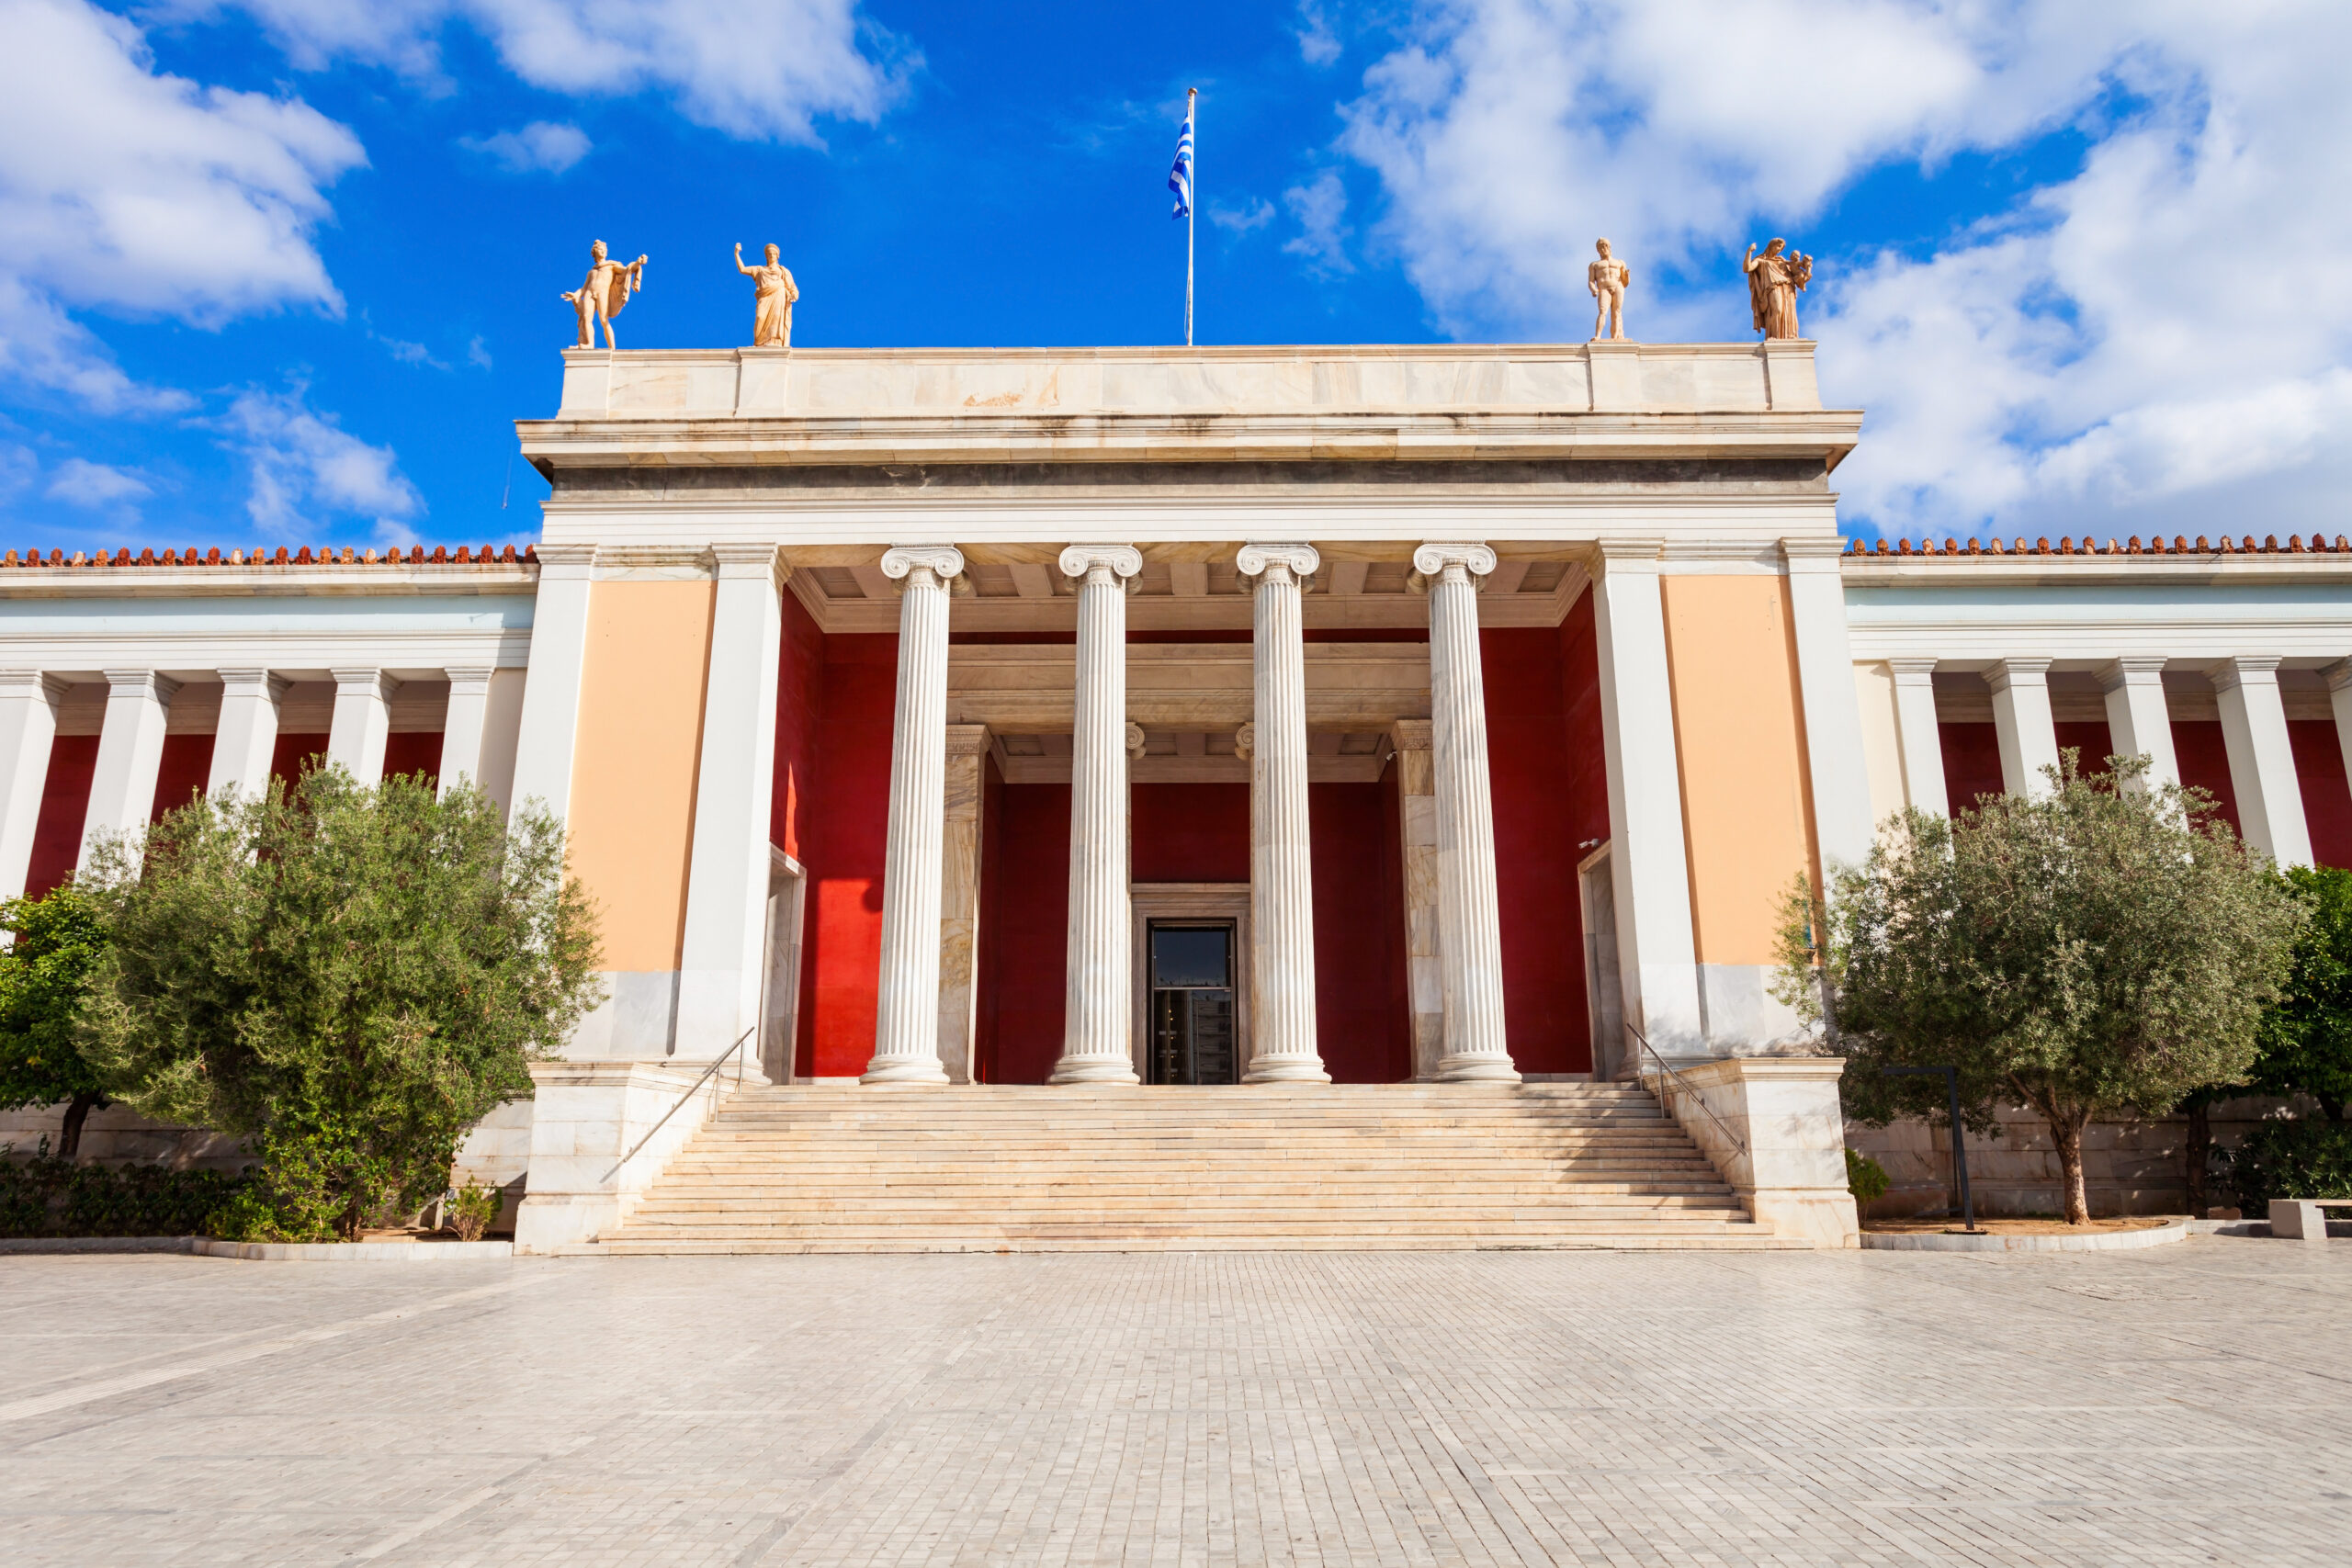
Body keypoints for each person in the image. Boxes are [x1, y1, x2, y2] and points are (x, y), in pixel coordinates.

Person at [561, 240, 646, 349]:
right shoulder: (591, 272)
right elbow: (584, 288)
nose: (602, 251)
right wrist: (576, 294)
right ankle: (589, 344)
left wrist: (638, 263)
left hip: (602, 293)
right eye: (599, 249)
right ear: (595, 252)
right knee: (587, 318)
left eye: (604, 250)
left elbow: (626, 270)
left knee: (604, 320)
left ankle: (612, 348)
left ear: (606, 253)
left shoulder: (611, 266)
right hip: (589, 293)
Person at [1743, 238, 1812, 340]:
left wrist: (1807, 265)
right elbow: (1747, 268)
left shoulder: (1782, 260)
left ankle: (1790, 336)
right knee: (1778, 310)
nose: (1780, 249)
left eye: (1781, 248)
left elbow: (1796, 267)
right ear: (1772, 245)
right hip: (1773, 287)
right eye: (1778, 246)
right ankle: (1773, 336)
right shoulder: (1760, 260)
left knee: (1788, 314)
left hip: (1788, 287)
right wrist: (1749, 251)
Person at [736, 243, 800, 348]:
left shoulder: (783, 271)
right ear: (766, 256)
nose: (771, 256)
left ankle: (774, 342)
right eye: (769, 254)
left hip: (779, 294)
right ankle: (759, 343)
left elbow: (792, 286)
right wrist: (737, 254)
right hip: (764, 297)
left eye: (773, 254)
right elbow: (742, 269)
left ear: (777, 256)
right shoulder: (760, 269)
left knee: (776, 317)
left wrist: (793, 294)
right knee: (760, 317)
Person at [1588, 238, 1631, 341]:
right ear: (1598, 250)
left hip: (1618, 286)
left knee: (1617, 311)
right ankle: (1598, 335)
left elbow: (1625, 281)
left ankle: (1616, 337)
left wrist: (1626, 275)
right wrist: (1593, 289)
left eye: (1605, 246)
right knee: (1603, 311)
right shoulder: (1595, 265)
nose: (1603, 249)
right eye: (1600, 248)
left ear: (1609, 247)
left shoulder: (1619, 263)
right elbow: (1591, 281)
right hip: (1603, 288)